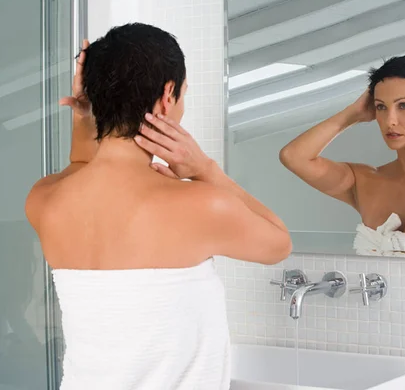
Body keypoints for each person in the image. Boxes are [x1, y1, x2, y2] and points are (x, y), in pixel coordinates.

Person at [25, 23, 291, 390]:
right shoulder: (201, 204)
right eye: (182, 93)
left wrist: (85, 115)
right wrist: (205, 170)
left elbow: (81, 169)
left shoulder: (44, 200)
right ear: (168, 95)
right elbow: (279, 242)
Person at [279, 56, 405, 256]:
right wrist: (353, 114)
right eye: (381, 107)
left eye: (403, 105)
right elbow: (293, 156)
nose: (390, 120)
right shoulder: (365, 181)